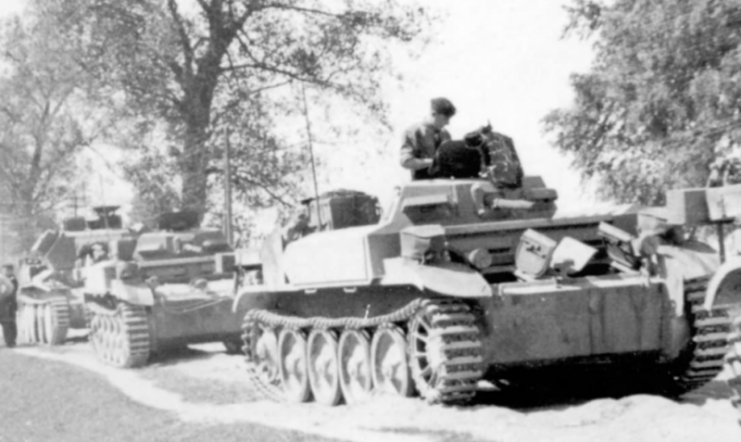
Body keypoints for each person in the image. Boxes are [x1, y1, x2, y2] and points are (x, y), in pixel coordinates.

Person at [400, 97, 456, 180]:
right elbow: (406, 162)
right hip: (422, 186)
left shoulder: (445, 134)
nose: (448, 123)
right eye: (445, 118)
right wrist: (434, 162)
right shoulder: (413, 132)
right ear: (434, 114)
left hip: (445, 184)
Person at [0, 264, 18, 348]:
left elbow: (11, 287)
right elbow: (10, 287)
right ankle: (10, 342)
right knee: (6, 321)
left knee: (6, 321)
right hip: (1, 302)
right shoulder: (1, 277)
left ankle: (10, 342)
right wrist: (3, 295)